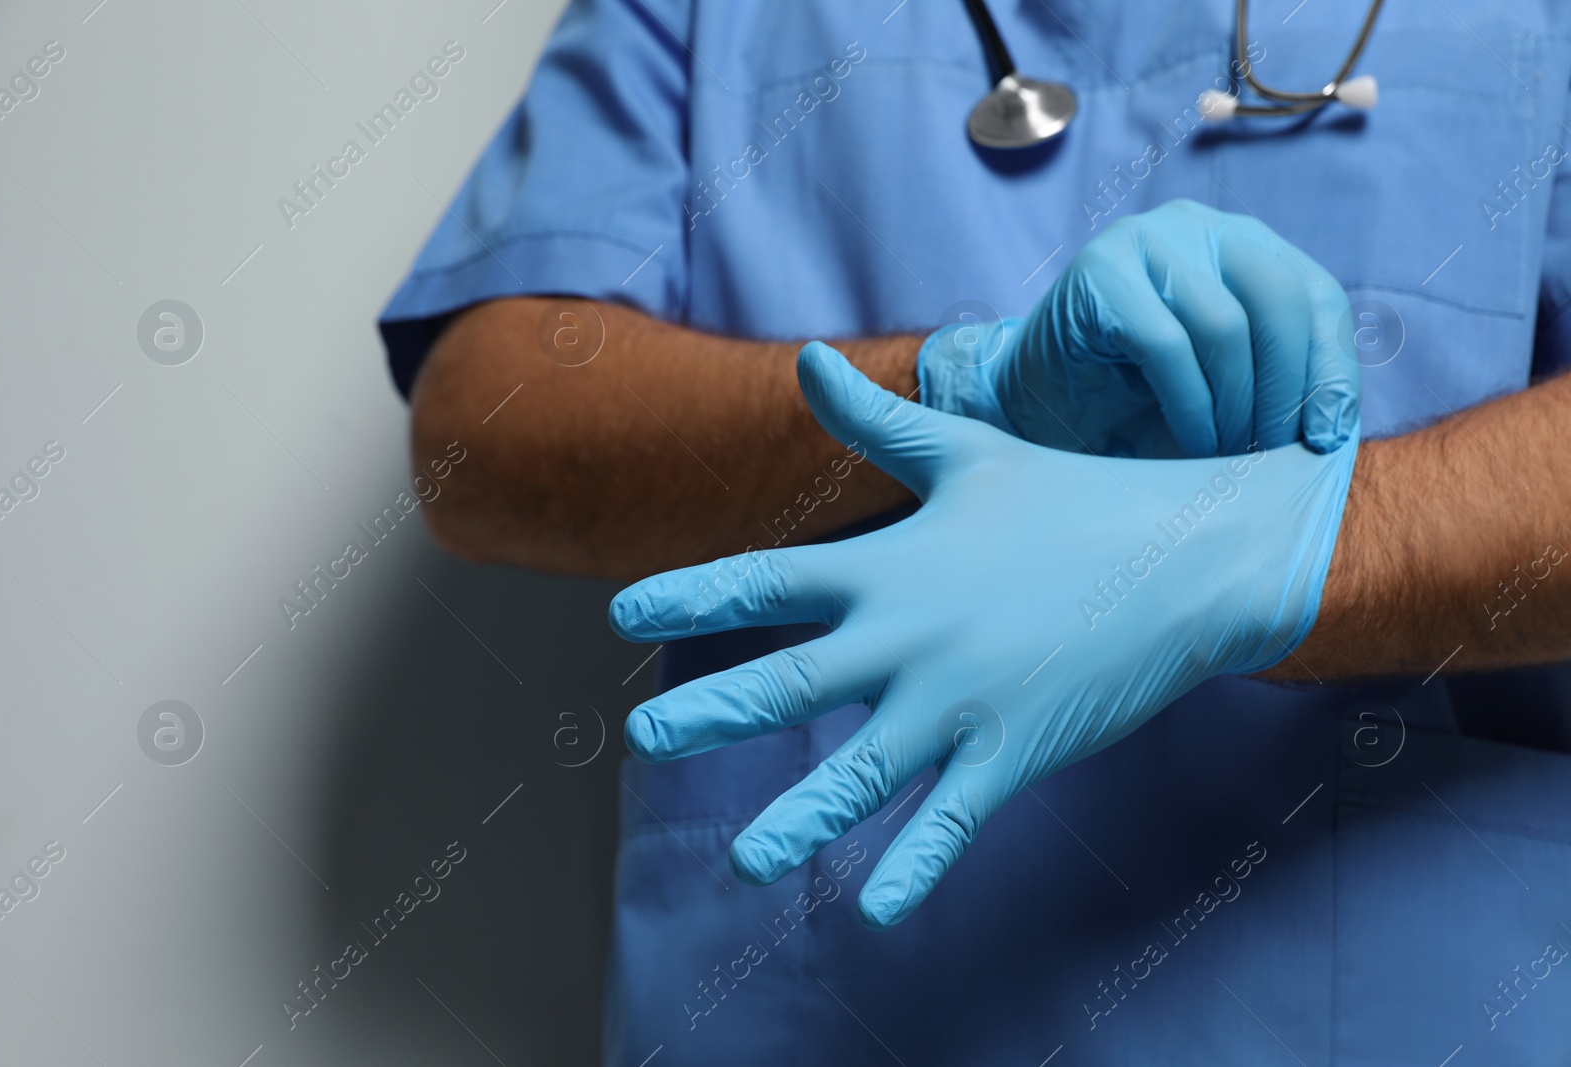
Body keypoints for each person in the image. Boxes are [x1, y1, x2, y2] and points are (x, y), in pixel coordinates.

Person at [379, 1, 1571, 1062]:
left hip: (1404, 983)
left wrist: (1291, 552)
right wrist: (962, 387)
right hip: (825, 996)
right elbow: (486, 415)